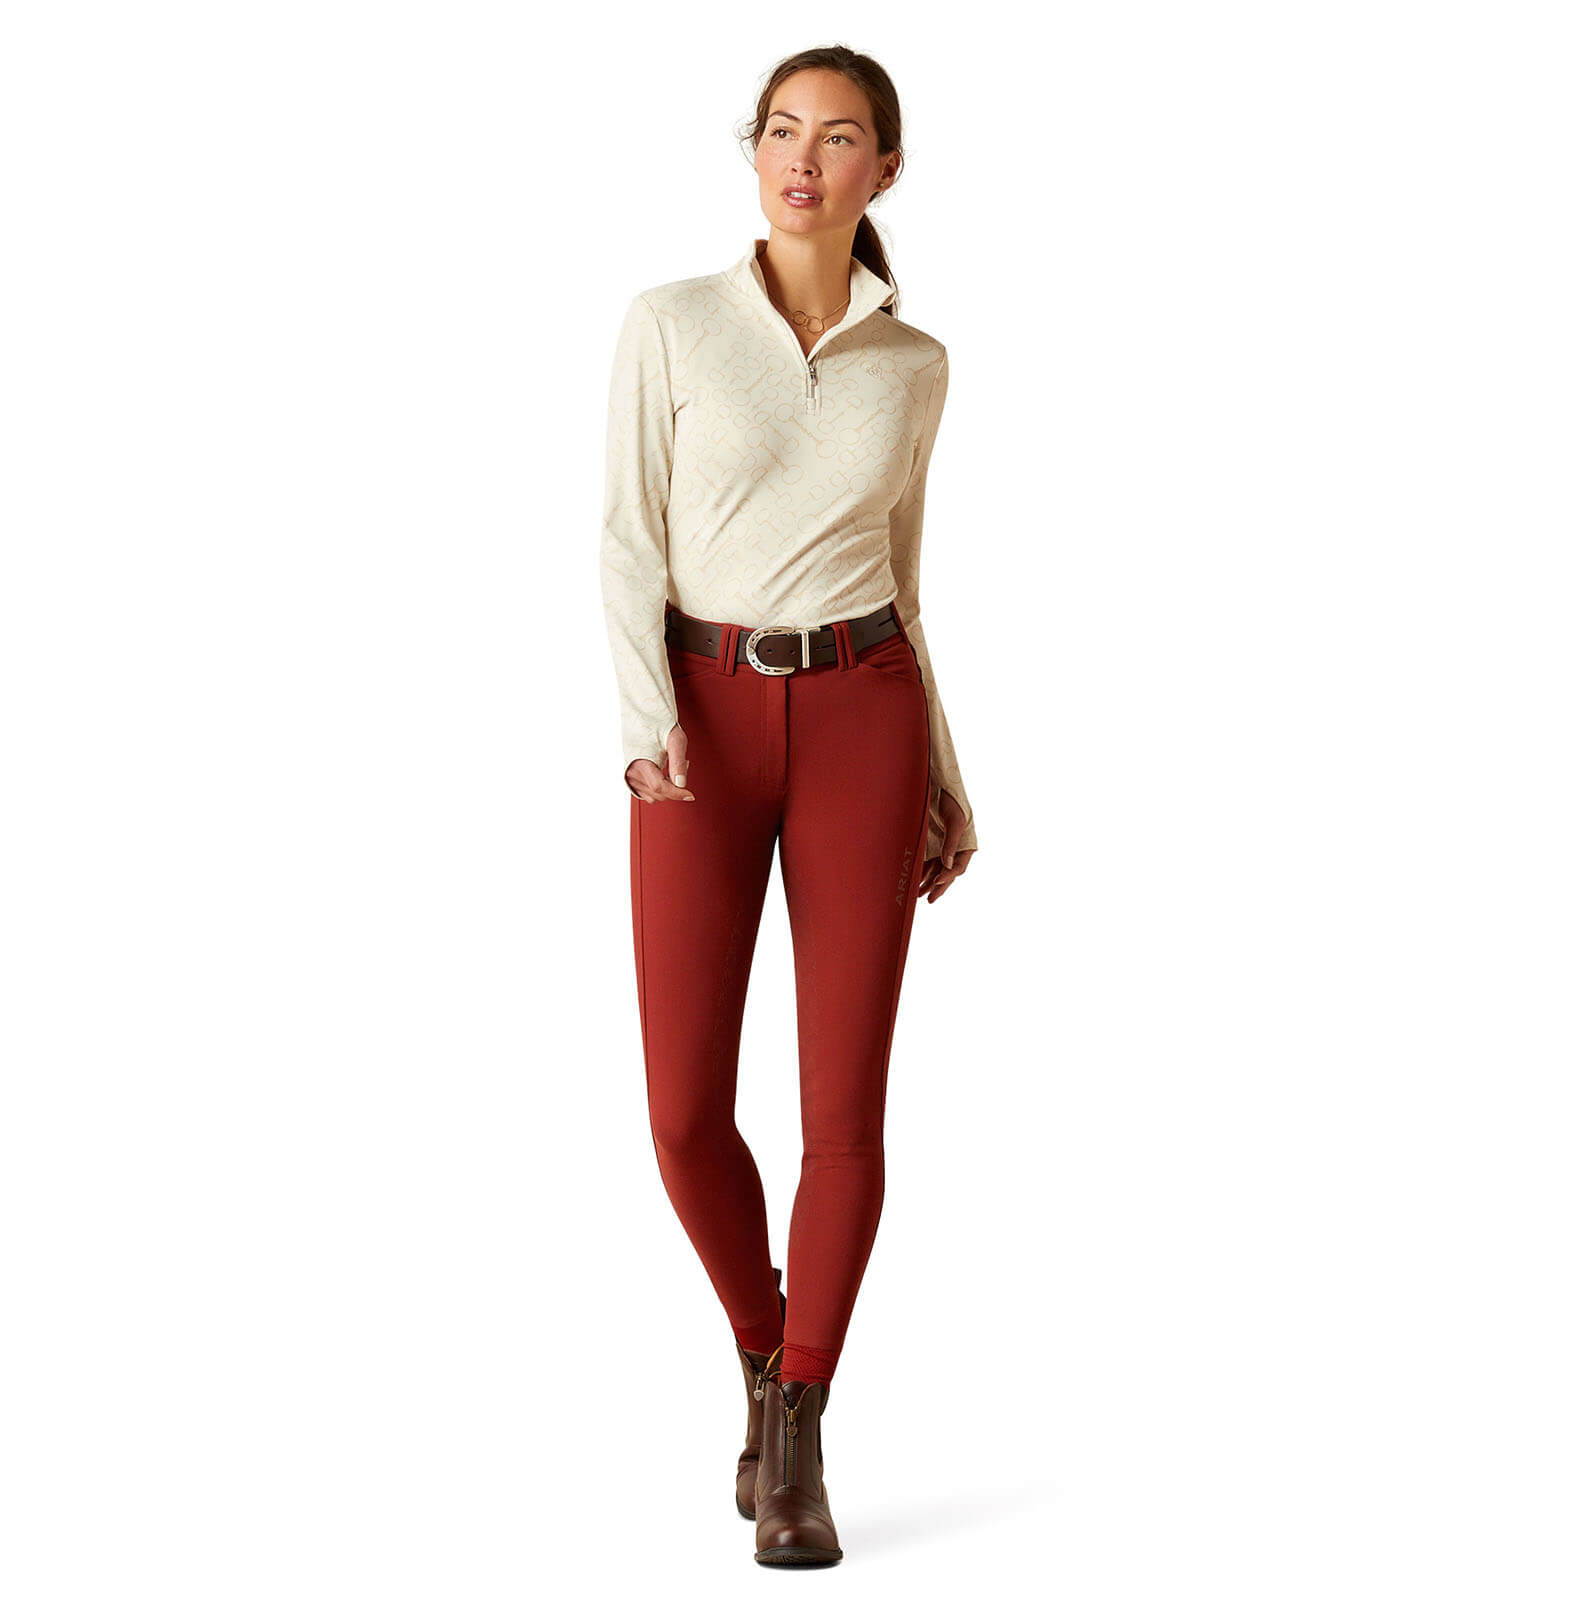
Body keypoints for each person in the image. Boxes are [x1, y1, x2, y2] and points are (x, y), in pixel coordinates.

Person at [596, 45, 978, 1567]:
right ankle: (764, 1352)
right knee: (684, 1111)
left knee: (843, 1108)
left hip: (865, 717)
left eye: (838, 138)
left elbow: (905, 574)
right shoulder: (671, 323)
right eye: (780, 131)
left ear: (887, 169)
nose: (803, 159)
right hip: (699, 721)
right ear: (751, 151)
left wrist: (942, 766)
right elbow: (627, 539)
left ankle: (801, 1431)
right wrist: (647, 725)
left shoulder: (916, 365)